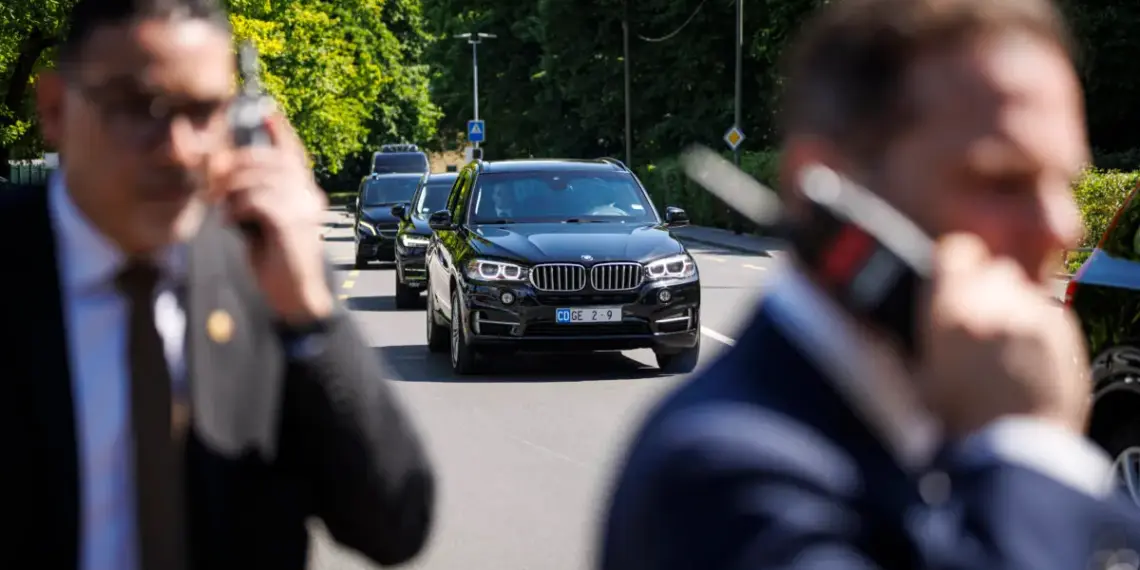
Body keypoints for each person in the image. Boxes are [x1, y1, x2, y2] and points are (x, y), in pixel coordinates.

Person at [599, 0, 1140, 569]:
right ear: (819, 188)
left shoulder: (957, 400)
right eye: (1001, 180)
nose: (1062, 226)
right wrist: (1033, 446)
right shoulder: (717, 480)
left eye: (1063, 181)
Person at [0, 0, 434, 569]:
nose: (178, 149)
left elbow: (395, 524)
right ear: (54, 108)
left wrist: (310, 315)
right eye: (139, 108)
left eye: (204, 112)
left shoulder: (263, 266)